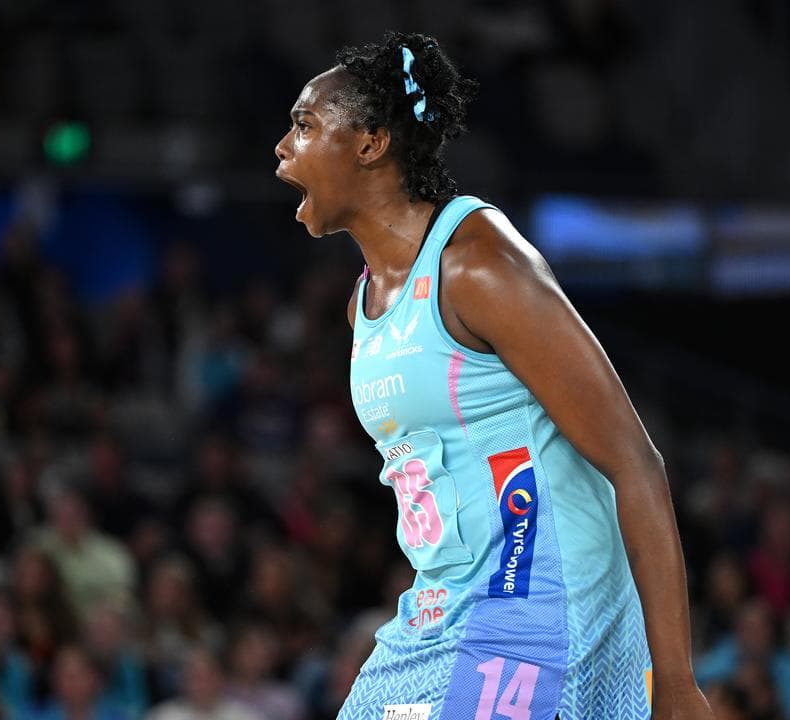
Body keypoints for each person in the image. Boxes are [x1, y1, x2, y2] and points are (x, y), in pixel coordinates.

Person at [273, 30, 710, 719]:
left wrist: (677, 683)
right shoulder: (365, 304)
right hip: (440, 606)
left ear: (370, 143)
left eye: (304, 125)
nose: (282, 147)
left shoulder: (478, 265)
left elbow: (636, 463)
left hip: (537, 604)